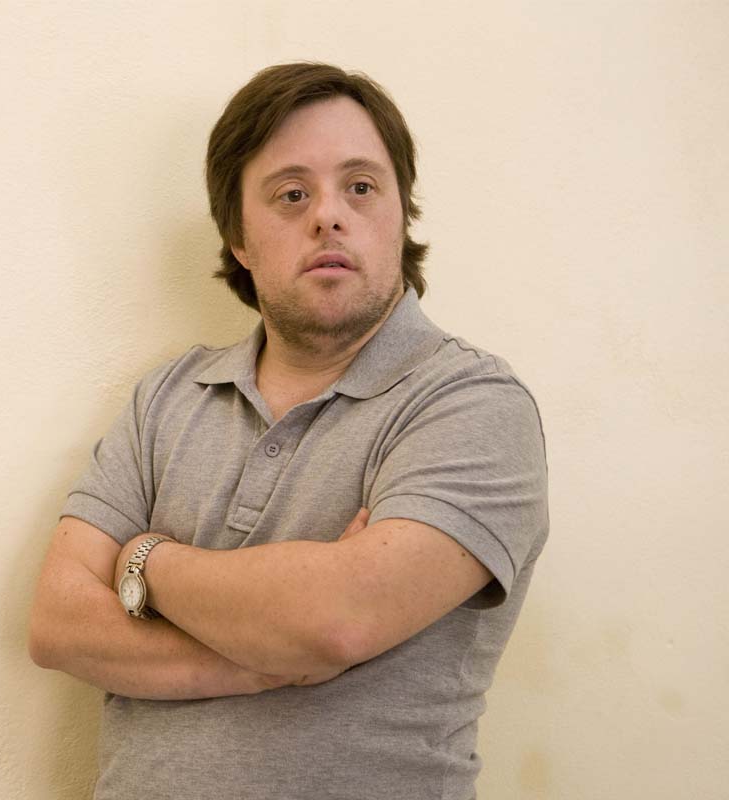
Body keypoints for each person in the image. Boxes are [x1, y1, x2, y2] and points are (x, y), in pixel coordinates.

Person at [28, 62, 548, 800]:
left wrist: (143, 561)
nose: (328, 216)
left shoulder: (469, 402)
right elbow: (56, 622)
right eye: (292, 193)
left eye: (360, 187)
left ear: (400, 215)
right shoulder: (165, 399)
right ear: (239, 238)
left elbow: (335, 620)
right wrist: (263, 661)